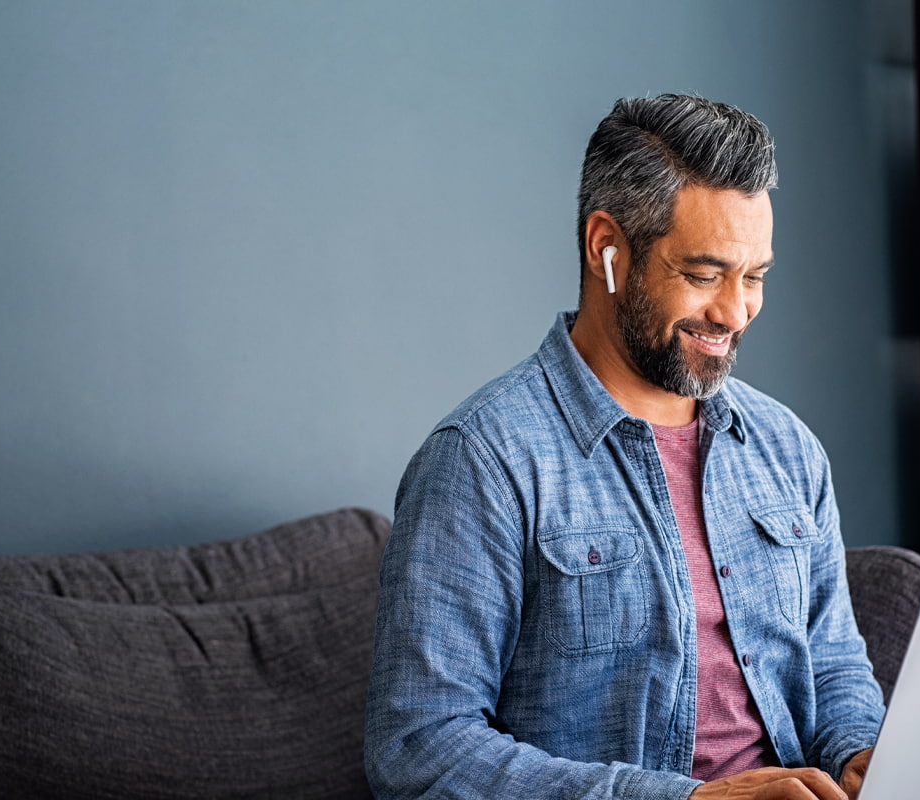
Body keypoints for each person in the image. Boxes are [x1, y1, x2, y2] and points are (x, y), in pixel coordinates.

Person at [365, 94, 882, 800]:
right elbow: (420, 749)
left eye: (755, 277)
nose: (735, 312)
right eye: (703, 274)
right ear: (606, 246)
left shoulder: (787, 448)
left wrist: (859, 752)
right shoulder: (483, 460)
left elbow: (832, 663)